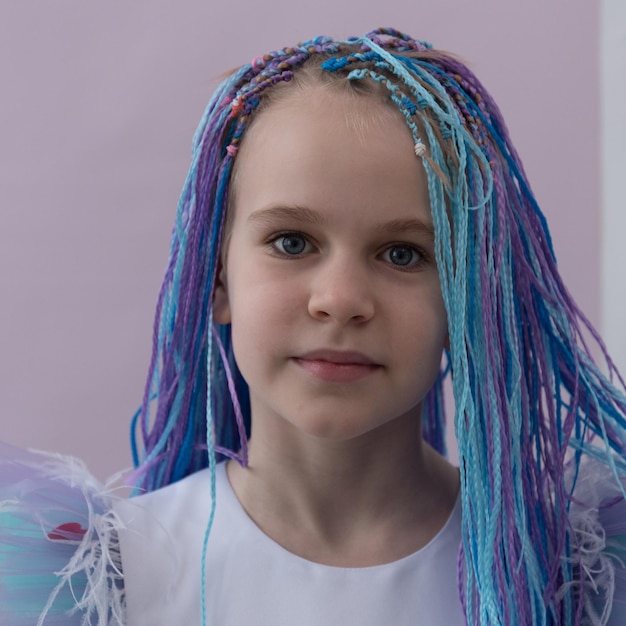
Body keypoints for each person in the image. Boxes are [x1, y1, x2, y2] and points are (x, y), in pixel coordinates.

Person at [2, 27, 626, 626]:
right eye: (292, 241)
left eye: (403, 253)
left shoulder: (571, 584)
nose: (340, 300)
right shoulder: (101, 580)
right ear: (217, 280)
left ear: (467, 299)